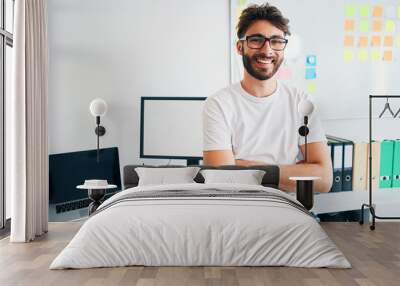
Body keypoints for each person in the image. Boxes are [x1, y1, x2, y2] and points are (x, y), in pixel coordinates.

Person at [202, 3, 332, 193]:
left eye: (276, 41)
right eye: (257, 40)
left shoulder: (301, 102)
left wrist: (245, 167)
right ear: (240, 47)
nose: (267, 50)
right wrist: (295, 171)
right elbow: (221, 181)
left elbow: (324, 180)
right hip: (237, 211)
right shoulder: (219, 104)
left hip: (286, 209)